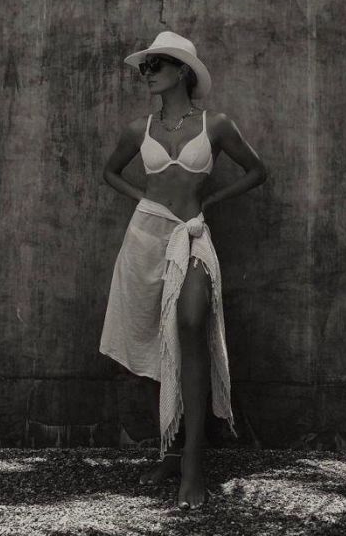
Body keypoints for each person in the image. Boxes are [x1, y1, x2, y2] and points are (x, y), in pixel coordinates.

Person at [99, 30, 267, 510]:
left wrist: (210, 201)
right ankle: (171, 453)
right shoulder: (139, 129)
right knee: (160, 338)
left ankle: (194, 462)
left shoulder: (217, 124)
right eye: (145, 66)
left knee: (191, 323)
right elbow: (110, 172)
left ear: (182, 71)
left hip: (190, 235)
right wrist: (143, 199)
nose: (147, 73)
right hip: (145, 236)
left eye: (155, 65)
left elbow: (258, 171)